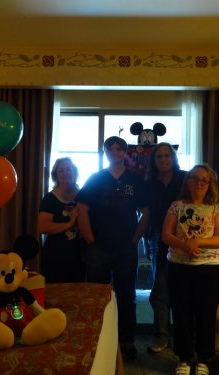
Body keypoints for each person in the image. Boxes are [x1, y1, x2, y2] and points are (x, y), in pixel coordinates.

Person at [75, 136, 150, 360]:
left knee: (127, 296)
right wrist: (90, 241)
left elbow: (146, 213)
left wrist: (135, 240)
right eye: (111, 148)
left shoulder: (135, 180)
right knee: (97, 296)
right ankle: (96, 337)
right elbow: (81, 209)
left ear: (125, 152)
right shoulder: (96, 178)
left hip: (125, 248)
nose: (115, 152)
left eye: (119, 149)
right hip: (98, 248)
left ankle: (127, 339)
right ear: (105, 152)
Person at [162, 164, 219, 375]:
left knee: (205, 315)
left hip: (210, 270)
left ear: (210, 184)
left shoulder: (218, 208)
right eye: (195, 179)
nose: (199, 183)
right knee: (182, 315)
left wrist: (196, 240)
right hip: (179, 267)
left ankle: (203, 360)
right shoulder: (176, 205)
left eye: (204, 180)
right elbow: (166, 235)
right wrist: (184, 244)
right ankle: (183, 357)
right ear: (188, 181)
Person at [144, 142, 187, 353]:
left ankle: (184, 336)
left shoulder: (186, 178)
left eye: (166, 155)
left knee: (183, 291)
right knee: (160, 290)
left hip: (185, 244)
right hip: (157, 243)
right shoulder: (148, 182)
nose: (162, 159)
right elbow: (144, 213)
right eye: (158, 156)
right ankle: (161, 335)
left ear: (173, 157)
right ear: (154, 160)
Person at [38, 157, 86, 283]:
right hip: (56, 257)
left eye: (69, 169)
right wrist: (69, 224)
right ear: (55, 176)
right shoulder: (49, 199)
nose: (65, 173)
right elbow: (43, 227)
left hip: (81, 256)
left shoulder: (84, 196)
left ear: (75, 173)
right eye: (61, 171)